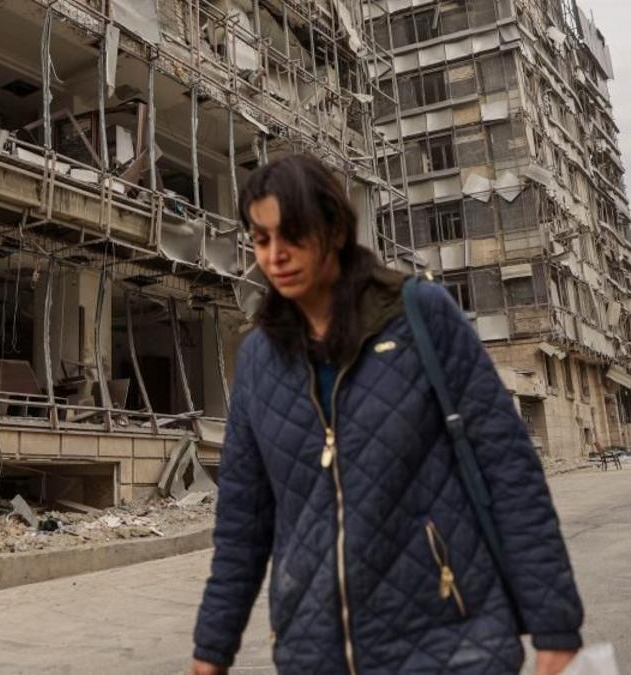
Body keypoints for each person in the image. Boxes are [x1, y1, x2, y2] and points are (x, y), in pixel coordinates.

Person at [190, 155, 584, 675]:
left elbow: (509, 470)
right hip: (315, 651)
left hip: (451, 641)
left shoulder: (420, 315)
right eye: (261, 240)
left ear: (333, 227)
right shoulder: (261, 360)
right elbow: (243, 523)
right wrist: (211, 651)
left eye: (292, 234)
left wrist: (555, 626)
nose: (276, 255)